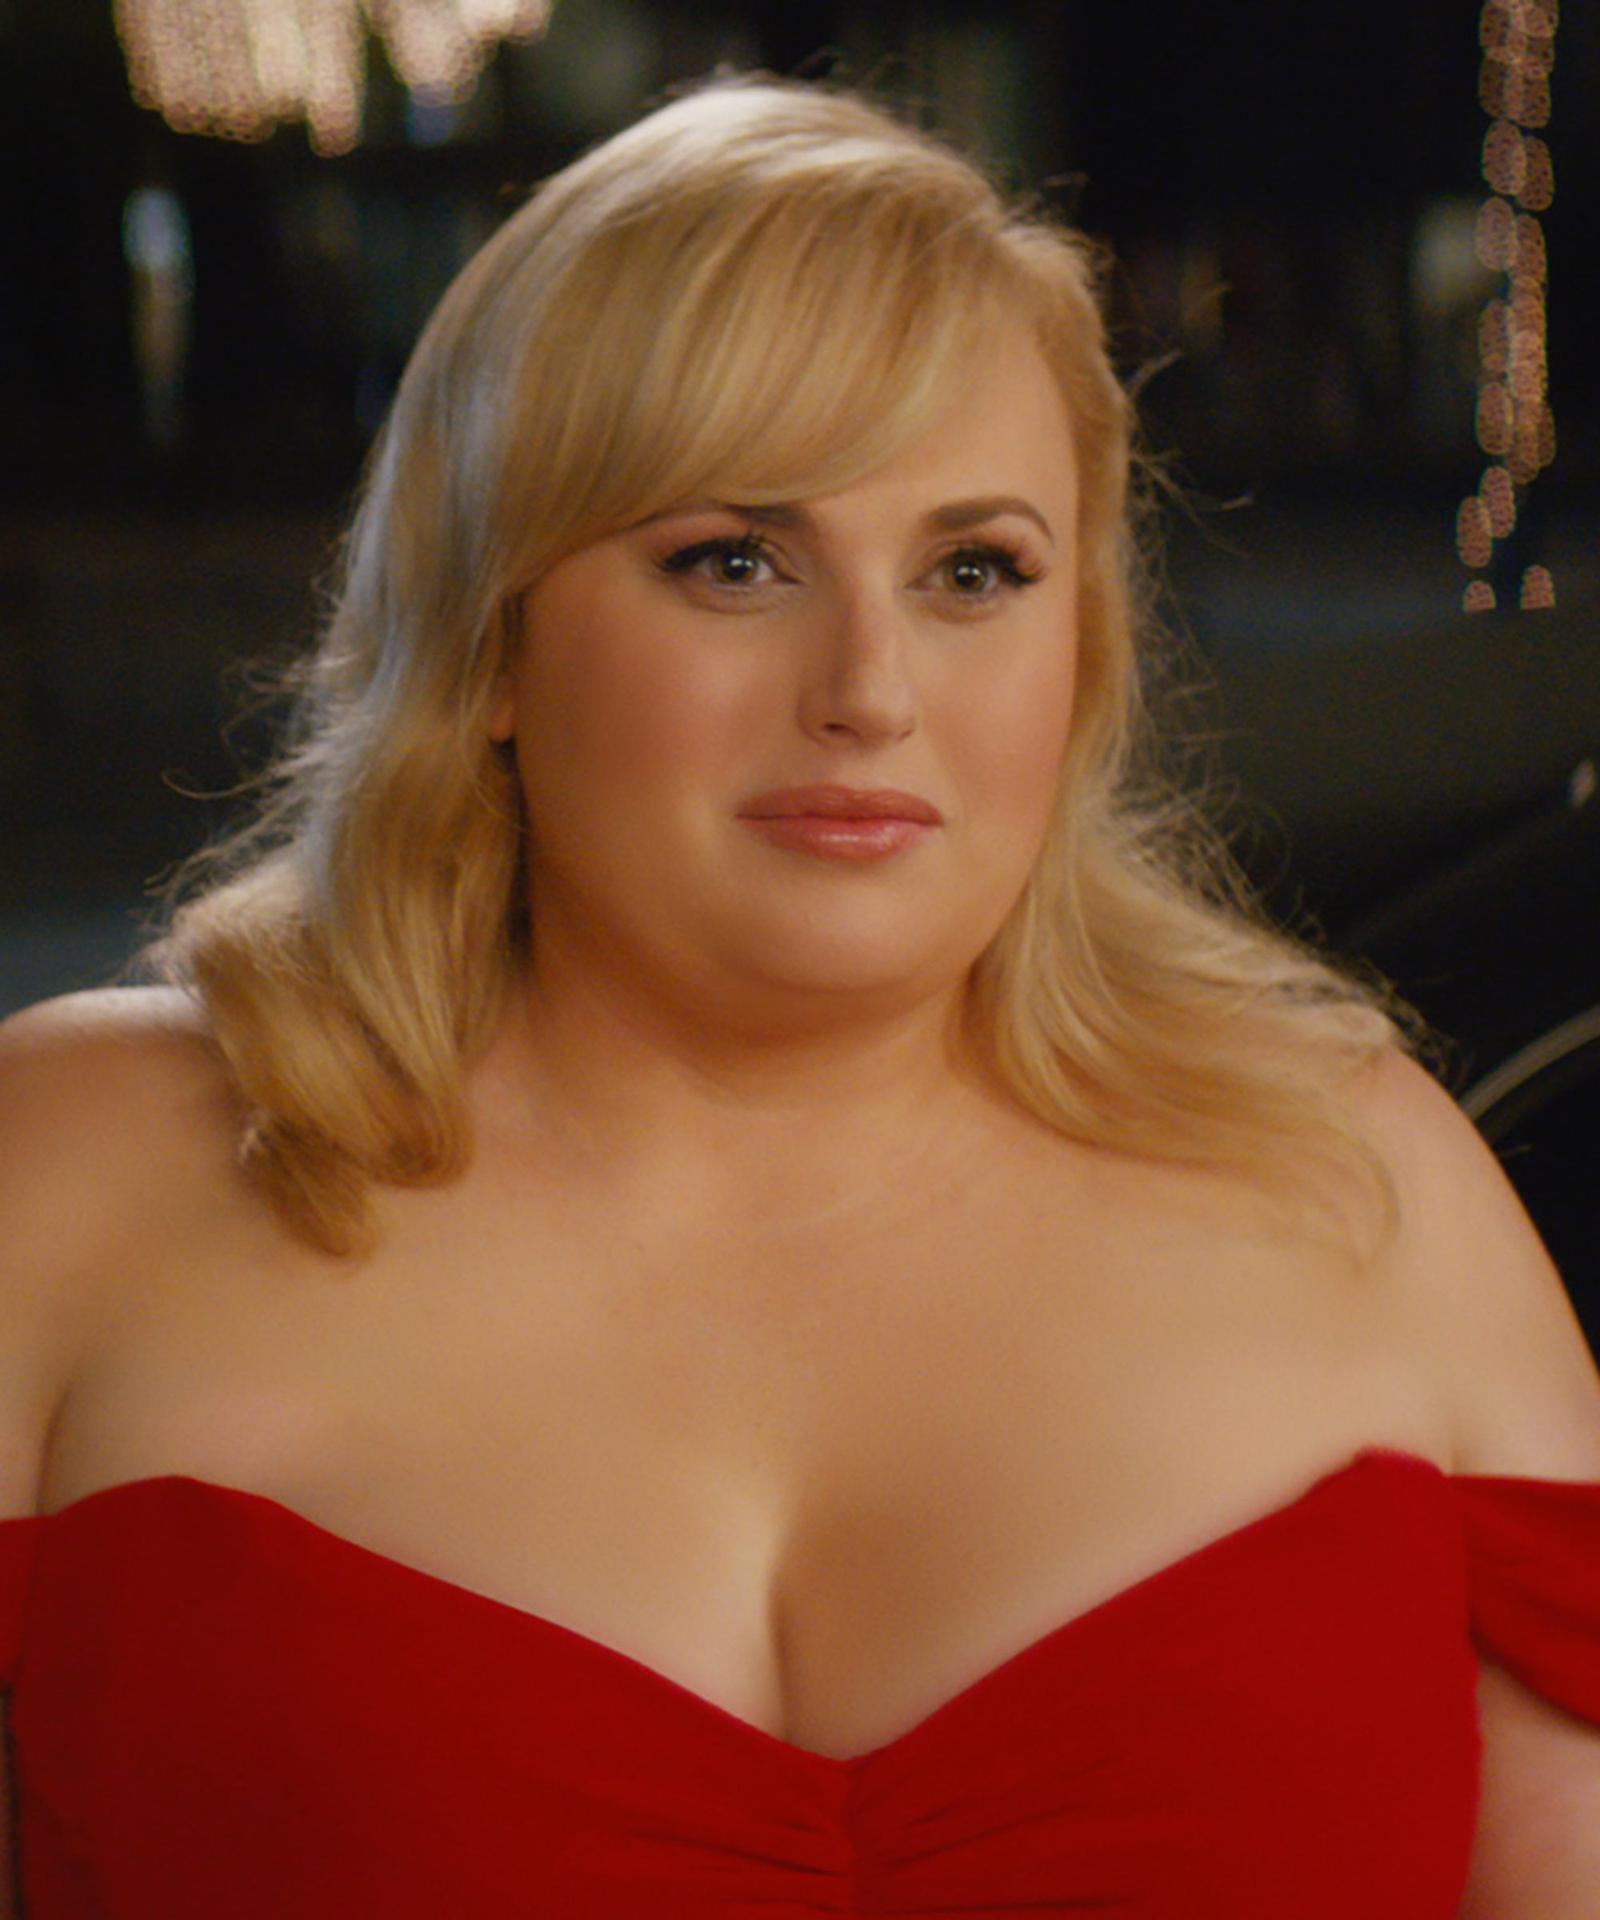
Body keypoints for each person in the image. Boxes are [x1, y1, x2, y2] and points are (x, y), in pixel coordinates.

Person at [1, 73, 1598, 1920]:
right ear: (488, 635)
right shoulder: (81, 1174)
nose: (871, 689)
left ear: (1083, 651)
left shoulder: (1359, 1172)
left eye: (975, 571)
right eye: (735, 562)